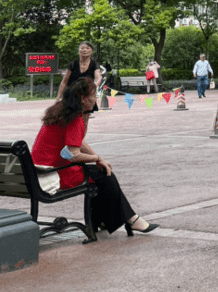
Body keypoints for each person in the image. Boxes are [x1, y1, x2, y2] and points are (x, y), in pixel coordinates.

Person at [31, 77, 158, 236]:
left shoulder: (60, 111)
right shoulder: (74, 119)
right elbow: (73, 154)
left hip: (37, 171)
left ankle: (105, 221)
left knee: (99, 173)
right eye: (94, 96)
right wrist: (97, 159)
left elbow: (77, 142)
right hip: (52, 175)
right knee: (104, 175)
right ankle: (130, 220)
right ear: (84, 99)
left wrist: (98, 158)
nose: (97, 99)